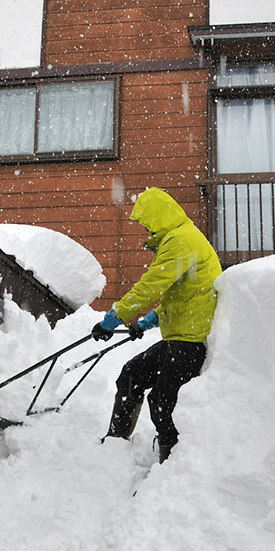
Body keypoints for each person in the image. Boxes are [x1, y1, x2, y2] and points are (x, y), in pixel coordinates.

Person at [91, 187, 222, 463]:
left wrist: (111, 320)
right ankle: (115, 445)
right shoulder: (178, 238)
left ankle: (173, 464)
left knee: (163, 401)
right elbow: (179, 297)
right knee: (131, 374)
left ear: (158, 217)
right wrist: (145, 323)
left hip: (191, 341)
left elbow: (150, 288)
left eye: (146, 222)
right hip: (179, 337)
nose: (145, 228)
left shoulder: (180, 241)